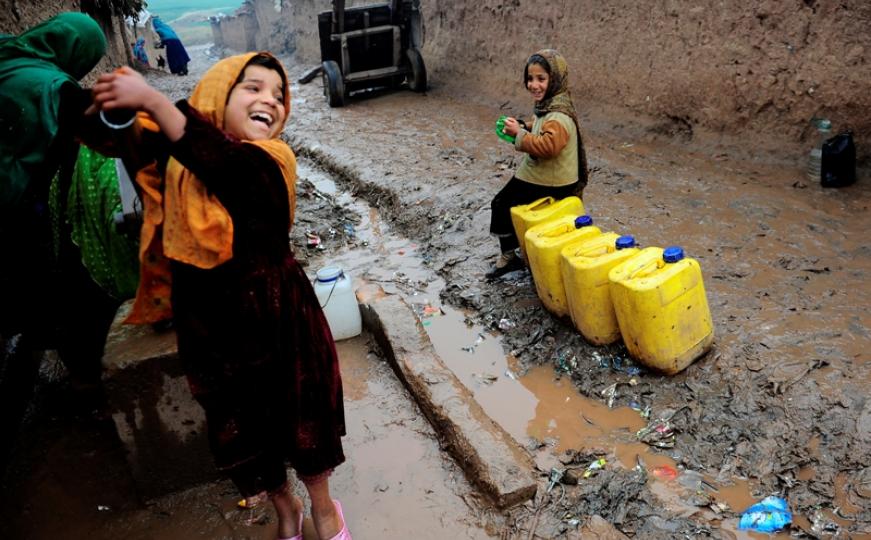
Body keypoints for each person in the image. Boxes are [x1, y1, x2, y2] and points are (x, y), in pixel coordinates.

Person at [91, 52, 351, 540]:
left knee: (303, 420)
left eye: (278, 95)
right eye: (252, 88)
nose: (269, 101)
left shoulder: (271, 160)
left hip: (280, 322)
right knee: (245, 429)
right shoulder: (179, 162)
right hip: (212, 327)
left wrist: (153, 98)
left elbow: (227, 167)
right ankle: (286, 507)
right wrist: (120, 105)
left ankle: (324, 509)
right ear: (216, 95)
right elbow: (118, 135)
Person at [0, 12, 111, 469]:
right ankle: (84, 383)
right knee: (66, 281)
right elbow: (91, 142)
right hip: (19, 210)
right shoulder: (54, 87)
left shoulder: (7, 58)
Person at [487, 49, 590, 279]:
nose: (534, 85)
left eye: (541, 79)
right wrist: (524, 124)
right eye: (530, 79)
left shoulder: (559, 116)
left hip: (551, 179)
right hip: (552, 176)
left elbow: (549, 147)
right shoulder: (554, 104)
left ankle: (509, 258)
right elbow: (540, 122)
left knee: (501, 203)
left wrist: (518, 135)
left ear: (554, 79)